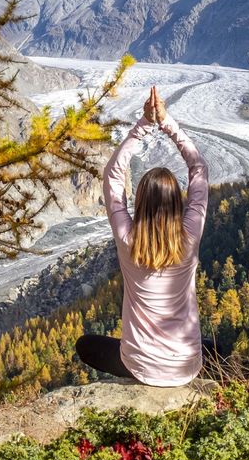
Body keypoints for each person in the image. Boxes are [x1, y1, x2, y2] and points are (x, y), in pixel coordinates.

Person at [74, 85, 215, 386]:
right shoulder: (190, 234)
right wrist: (167, 122)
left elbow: (112, 176)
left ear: (138, 203)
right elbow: (199, 170)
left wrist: (143, 126)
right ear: (178, 202)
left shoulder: (127, 239)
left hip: (139, 367)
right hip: (185, 367)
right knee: (218, 350)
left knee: (86, 346)